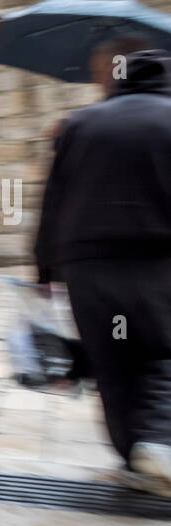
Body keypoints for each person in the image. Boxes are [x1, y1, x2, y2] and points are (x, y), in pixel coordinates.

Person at [35, 48, 171, 493]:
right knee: (161, 353)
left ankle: (131, 457)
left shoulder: (79, 124)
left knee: (111, 363)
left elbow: (51, 203)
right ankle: (156, 442)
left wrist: (43, 270)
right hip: (154, 264)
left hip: (87, 271)